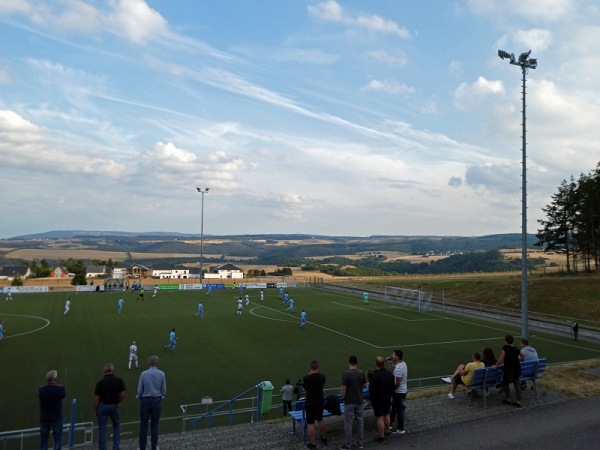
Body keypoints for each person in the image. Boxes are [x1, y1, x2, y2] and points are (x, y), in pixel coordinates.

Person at [94, 363, 126, 450]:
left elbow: (96, 399)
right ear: (113, 370)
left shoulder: (100, 383)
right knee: (116, 425)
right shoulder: (118, 380)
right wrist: (117, 402)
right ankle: (116, 447)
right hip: (113, 406)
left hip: (103, 407)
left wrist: (96, 410)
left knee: (102, 430)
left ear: (104, 371)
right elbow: (123, 394)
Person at [137, 355, 166, 450]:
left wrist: (139, 396)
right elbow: (164, 390)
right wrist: (162, 395)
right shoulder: (161, 373)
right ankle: (154, 447)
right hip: (157, 400)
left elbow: (140, 389)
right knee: (154, 425)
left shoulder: (143, 374)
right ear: (156, 362)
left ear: (149, 363)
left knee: (143, 425)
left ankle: (142, 448)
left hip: (145, 400)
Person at [339, 355, 367, 450]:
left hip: (349, 401)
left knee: (348, 423)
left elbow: (343, 389)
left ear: (349, 362)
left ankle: (348, 444)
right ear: (356, 363)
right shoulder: (361, 372)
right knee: (360, 421)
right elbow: (365, 385)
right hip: (359, 401)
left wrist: (343, 397)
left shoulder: (346, 374)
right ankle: (360, 443)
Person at [369, 356, 395, 443]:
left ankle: (381, 437)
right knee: (386, 414)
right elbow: (393, 386)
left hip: (378, 400)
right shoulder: (389, 374)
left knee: (379, 417)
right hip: (387, 397)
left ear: (376, 364)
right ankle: (387, 431)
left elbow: (371, 390)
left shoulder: (375, 376)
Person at [303, 360, 328, 448]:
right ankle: (324, 438)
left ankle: (313, 443)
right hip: (320, 401)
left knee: (310, 423)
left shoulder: (306, 378)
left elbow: (306, 386)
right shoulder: (322, 377)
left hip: (310, 402)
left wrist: (310, 374)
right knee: (320, 419)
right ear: (318, 367)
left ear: (310, 368)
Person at [39, 369, 66, 450]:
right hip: (56, 418)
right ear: (55, 379)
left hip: (44, 418)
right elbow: (63, 395)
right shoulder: (60, 389)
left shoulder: (41, 389)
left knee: (44, 441)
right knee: (57, 440)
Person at [493, 335, 522, 407]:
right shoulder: (516, 348)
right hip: (516, 368)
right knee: (516, 384)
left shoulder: (505, 348)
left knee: (505, 383)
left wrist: (496, 365)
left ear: (505, 341)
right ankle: (519, 401)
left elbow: (502, 357)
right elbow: (522, 355)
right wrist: (518, 360)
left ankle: (508, 398)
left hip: (509, 369)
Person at [389, 349, 407, 435]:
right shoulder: (403, 364)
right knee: (395, 407)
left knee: (398, 410)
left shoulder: (398, 368)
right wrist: (392, 366)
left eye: (393, 355)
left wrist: (391, 389)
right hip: (403, 391)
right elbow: (396, 369)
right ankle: (390, 422)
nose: (392, 356)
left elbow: (398, 383)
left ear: (396, 357)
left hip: (398, 392)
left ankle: (400, 428)